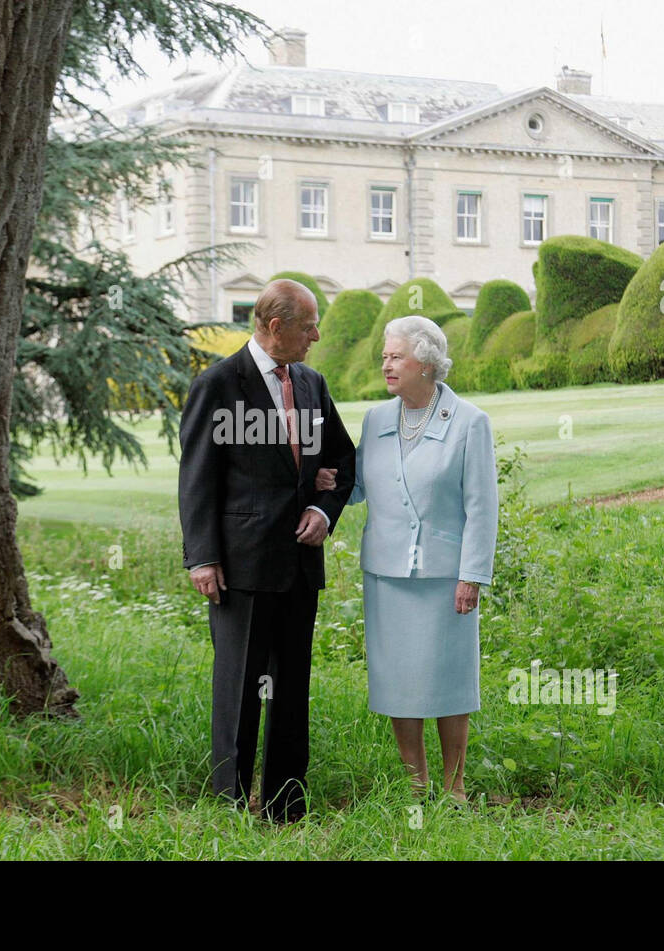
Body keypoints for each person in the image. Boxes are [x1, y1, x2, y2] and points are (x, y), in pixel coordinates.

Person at [178, 279, 356, 823]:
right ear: (275, 328)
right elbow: (197, 478)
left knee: (291, 690)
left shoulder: (311, 382)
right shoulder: (218, 383)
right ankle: (230, 807)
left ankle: (285, 806)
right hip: (240, 568)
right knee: (238, 692)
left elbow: (341, 462)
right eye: (308, 327)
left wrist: (323, 508)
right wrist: (202, 557)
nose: (317, 336)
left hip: (300, 567)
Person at [316, 315, 497, 803]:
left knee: (449, 681)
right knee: (398, 680)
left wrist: (472, 576)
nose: (386, 364)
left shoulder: (470, 422)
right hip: (387, 574)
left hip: (445, 576)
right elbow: (361, 487)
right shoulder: (376, 419)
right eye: (384, 356)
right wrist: (330, 484)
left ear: (427, 363)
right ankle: (414, 784)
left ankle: (454, 786)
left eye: (396, 356)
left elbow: (482, 506)